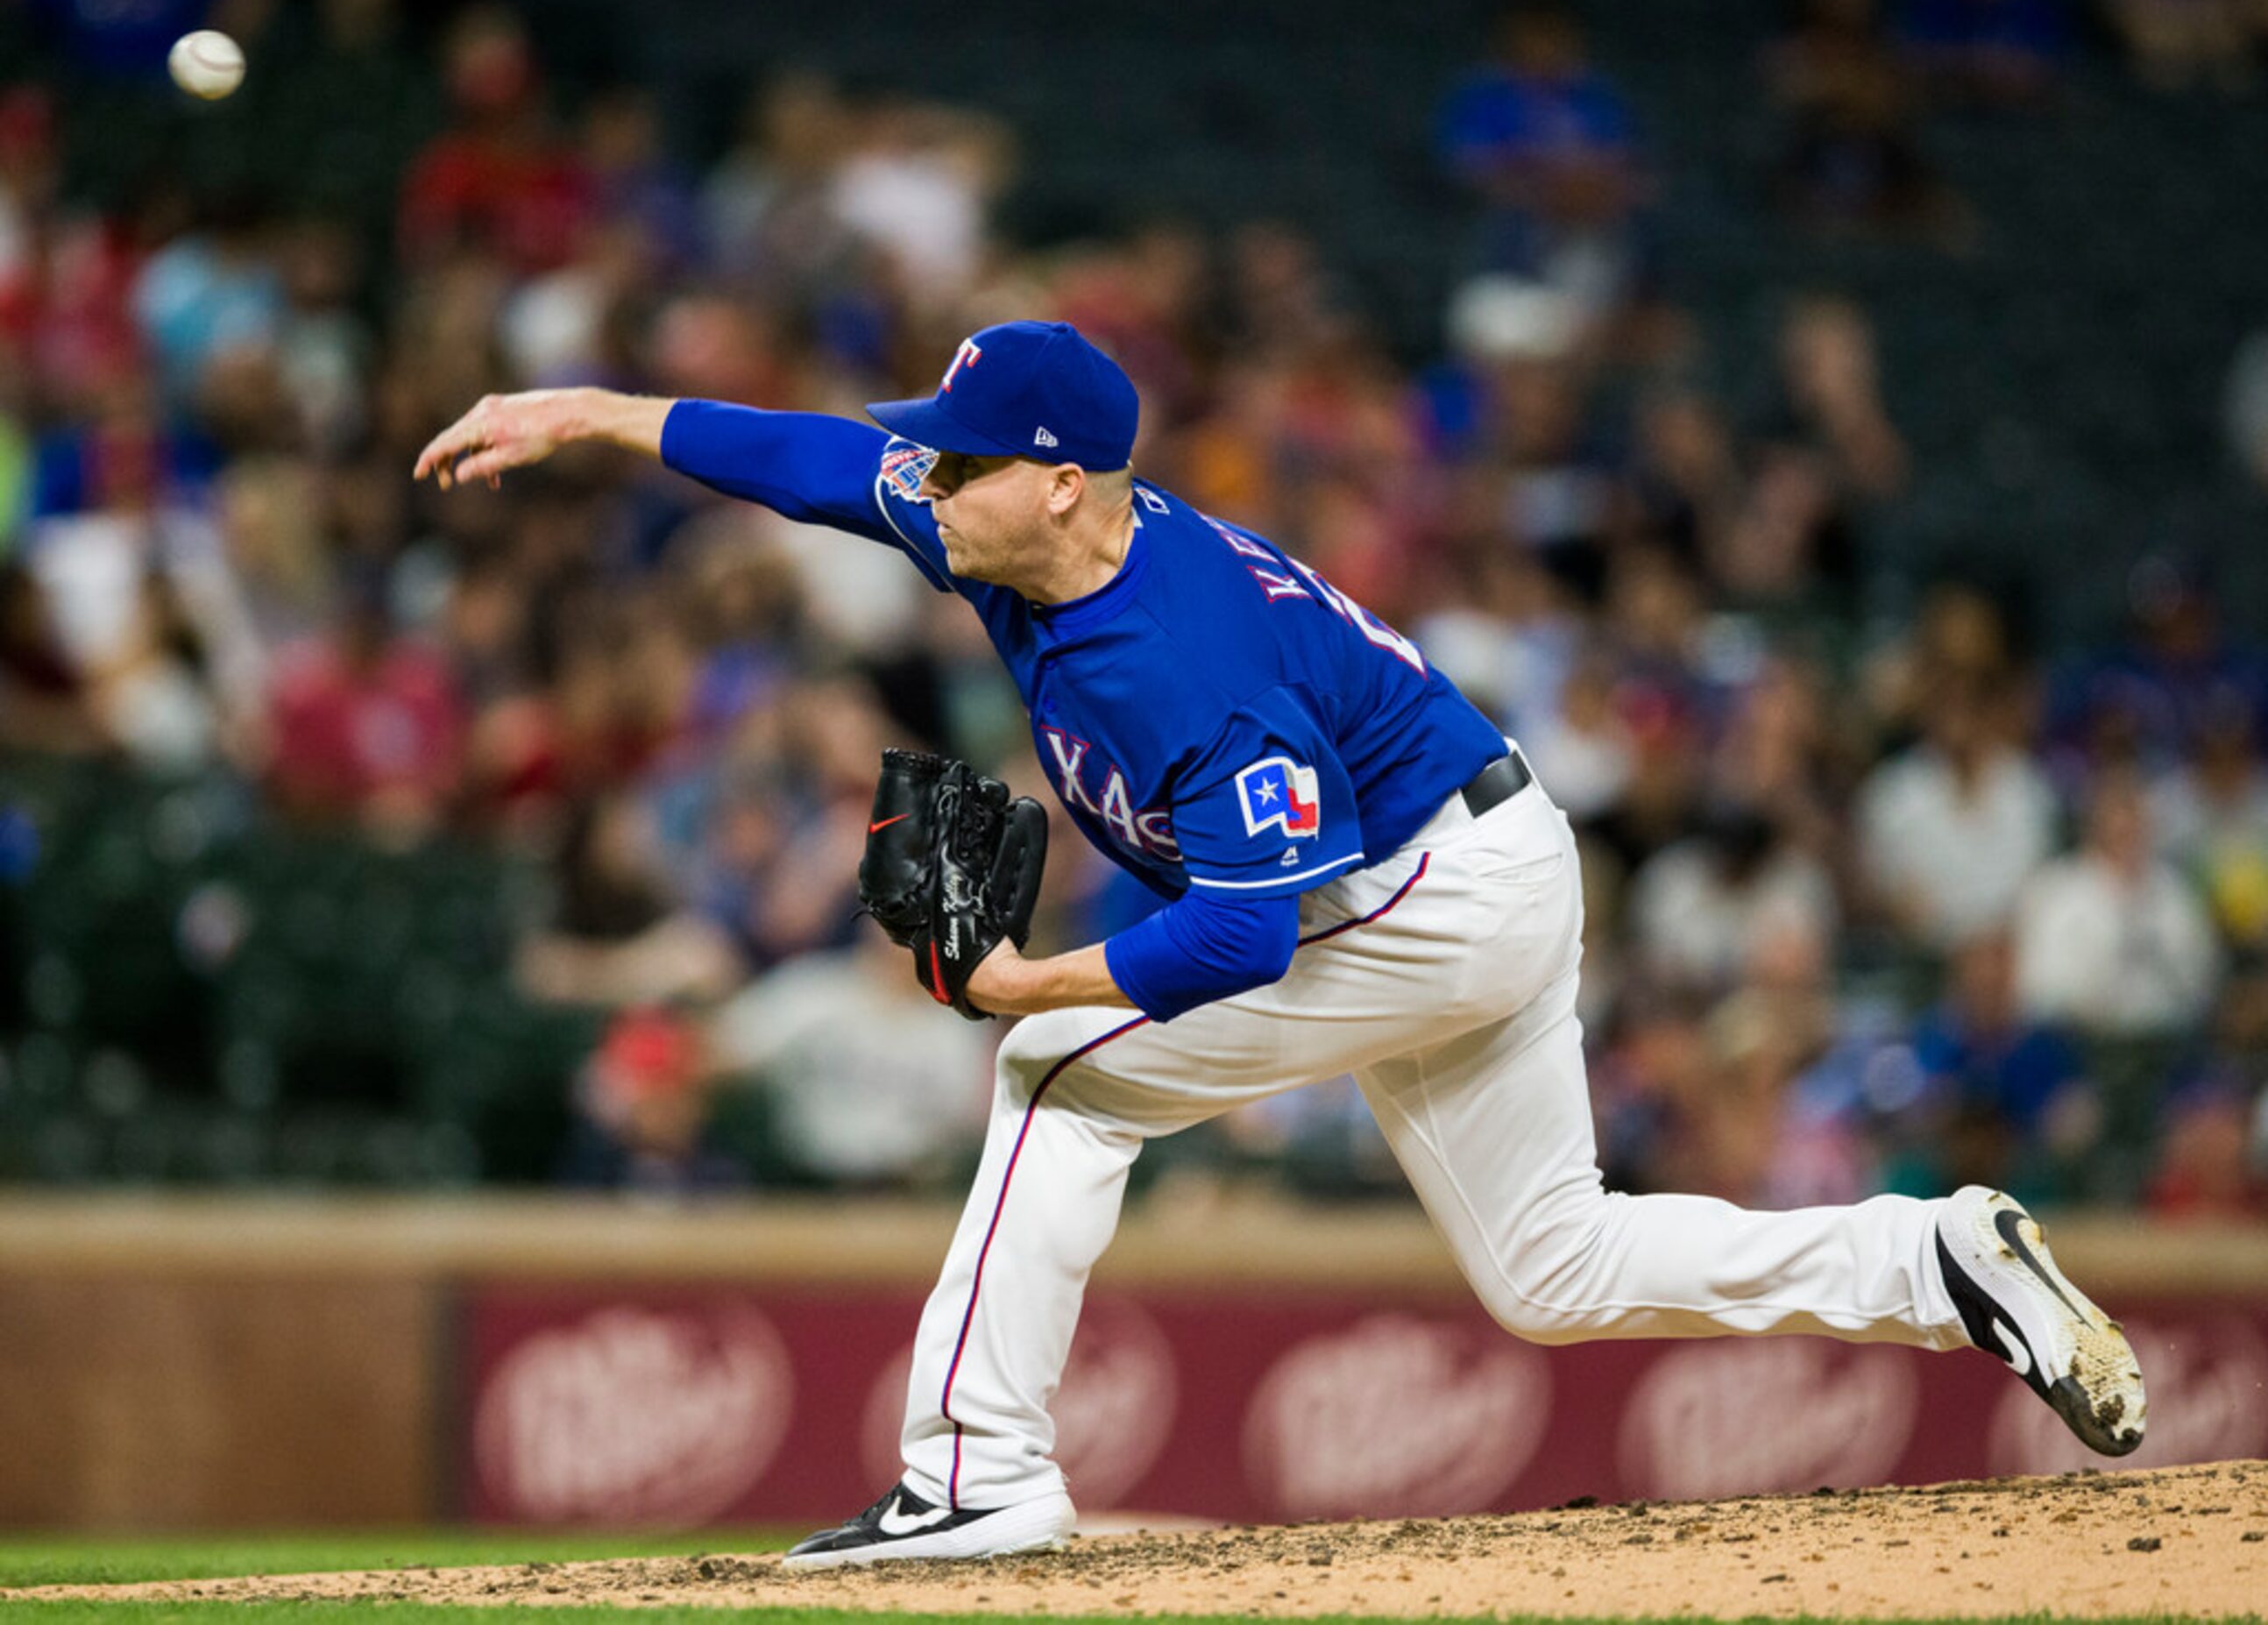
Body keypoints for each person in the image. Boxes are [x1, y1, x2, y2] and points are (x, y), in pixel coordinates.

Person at [416, 318, 2147, 1569]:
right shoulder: (1005, 529)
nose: (921, 481)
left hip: (1424, 894)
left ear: (1065, 481)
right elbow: (807, 459)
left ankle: (977, 1476)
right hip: (1460, 863)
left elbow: (1239, 937)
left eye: (956, 458)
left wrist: (1028, 984)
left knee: (1050, 1071)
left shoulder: (1175, 657)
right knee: (1550, 1271)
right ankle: (1935, 1267)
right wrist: (597, 412)